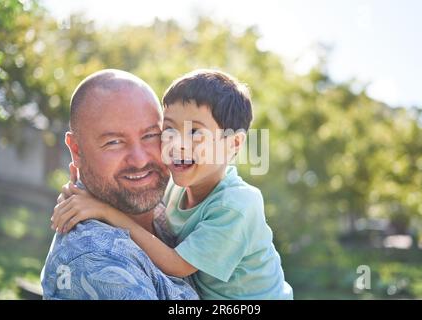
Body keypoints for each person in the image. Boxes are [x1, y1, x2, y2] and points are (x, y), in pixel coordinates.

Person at [52, 69, 293, 300]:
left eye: (194, 132)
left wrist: (105, 211)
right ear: (76, 149)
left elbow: (177, 266)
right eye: (168, 130)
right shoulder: (96, 258)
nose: (177, 144)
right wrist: (79, 190)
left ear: (233, 144)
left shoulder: (236, 205)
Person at [41, 69, 199, 300]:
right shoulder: (96, 259)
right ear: (76, 149)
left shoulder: (172, 205)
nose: (140, 160)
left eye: (151, 135)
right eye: (114, 142)